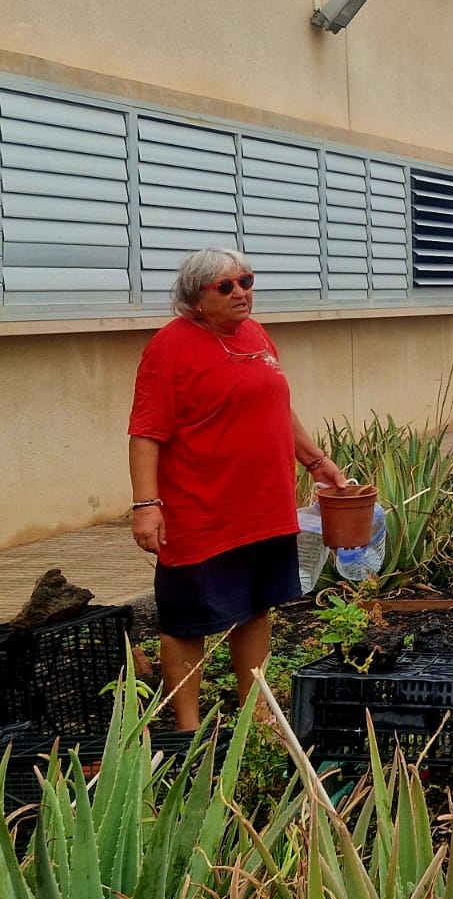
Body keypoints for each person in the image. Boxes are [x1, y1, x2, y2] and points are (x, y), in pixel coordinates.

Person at [128, 247, 349, 731]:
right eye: (225, 287)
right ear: (196, 299)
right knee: (187, 621)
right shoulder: (170, 346)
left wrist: (317, 462)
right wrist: (146, 505)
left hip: (264, 507)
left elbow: (277, 406)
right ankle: (188, 730)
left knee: (255, 610)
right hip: (201, 510)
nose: (241, 293)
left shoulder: (255, 334)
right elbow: (146, 431)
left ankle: (257, 716)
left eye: (246, 281)